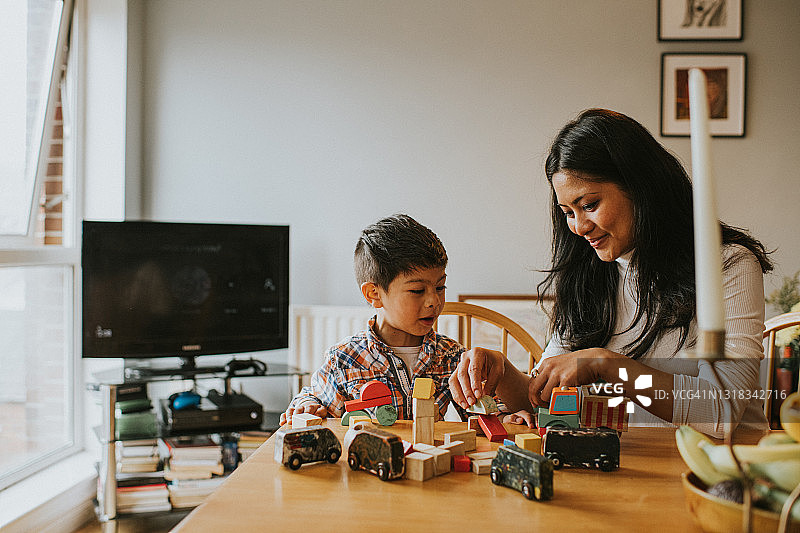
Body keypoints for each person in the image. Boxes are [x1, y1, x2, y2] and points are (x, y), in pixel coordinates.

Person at [449, 109, 773, 438]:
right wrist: (502, 372)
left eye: (589, 205)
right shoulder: (589, 274)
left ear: (640, 186)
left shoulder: (729, 266)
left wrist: (606, 364)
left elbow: (720, 410)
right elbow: (544, 399)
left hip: (722, 465)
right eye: (568, 212)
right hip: (628, 464)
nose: (579, 227)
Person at [281, 213, 464, 425]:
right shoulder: (345, 359)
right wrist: (307, 405)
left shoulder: (451, 357)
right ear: (374, 294)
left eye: (440, 287)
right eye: (417, 290)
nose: (434, 301)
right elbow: (314, 398)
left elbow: (488, 417)